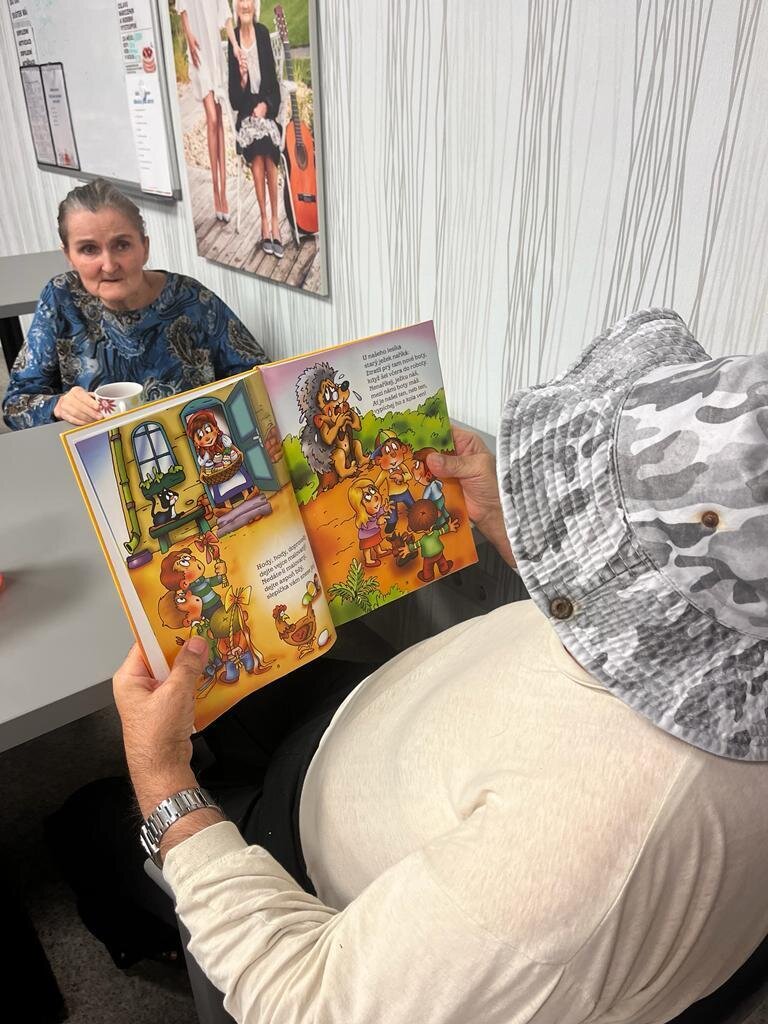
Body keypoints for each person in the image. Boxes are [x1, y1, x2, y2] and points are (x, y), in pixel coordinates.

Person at [113, 309, 768, 1023]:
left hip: (307, 868)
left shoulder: (574, 865)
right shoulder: (723, 643)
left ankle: (134, 915)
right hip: (370, 717)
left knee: (102, 829)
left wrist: (163, 782)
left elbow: (303, 1002)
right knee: (229, 698)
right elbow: (660, 630)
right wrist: (515, 533)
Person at [2, 178, 267, 430]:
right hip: (98, 455)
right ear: (69, 256)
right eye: (89, 249)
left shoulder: (191, 300)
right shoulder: (61, 298)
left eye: (122, 245)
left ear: (144, 247)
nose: (108, 265)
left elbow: (260, 380)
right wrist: (58, 406)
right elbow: (15, 405)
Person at [228, 0, 285, 259]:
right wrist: (242, 79)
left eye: (248, 0)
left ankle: (274, 220)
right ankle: (264, 220)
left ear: (254, 5)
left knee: (268, 147)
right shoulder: (234, 41)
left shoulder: (262, 34)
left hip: (266, 110)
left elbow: (274, 86)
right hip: (247, 116)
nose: (245, 5)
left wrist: (266, 106)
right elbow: (234, 100)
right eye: (240, 0)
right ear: (236, 7)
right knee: (258, 148)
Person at [176, 0, 241, 223]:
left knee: (219, 121)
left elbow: (226, 16)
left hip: (215, 55)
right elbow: (182, 8)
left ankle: (223, 192)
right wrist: (188, 36)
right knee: (212, 119)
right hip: (198, 51)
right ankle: (215, 190)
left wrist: (235, 45)